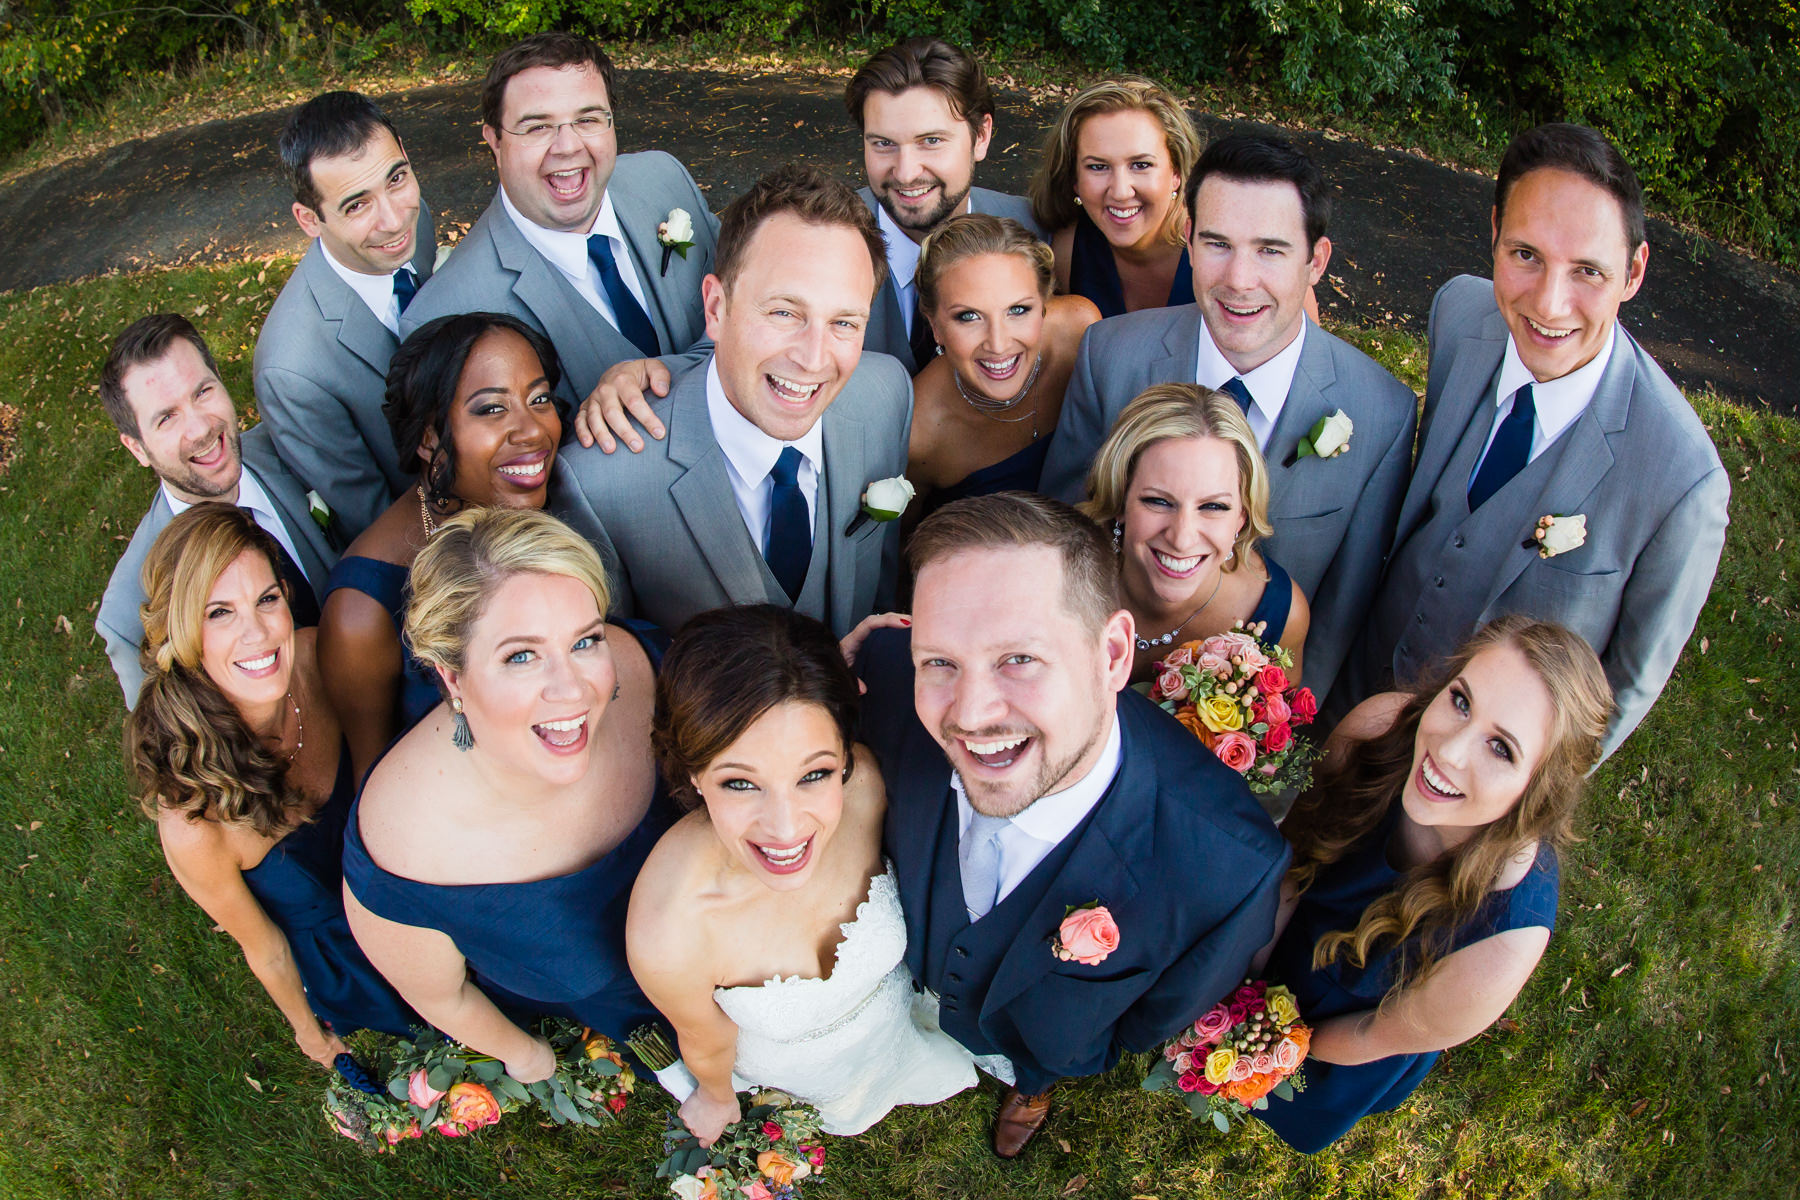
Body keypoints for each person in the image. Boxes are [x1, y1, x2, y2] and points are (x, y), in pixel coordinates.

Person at [856, 492, 1289, 1157]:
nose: (969, 715)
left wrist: (1056, 1058)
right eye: (940, 661)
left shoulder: (1228, 873)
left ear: (1112, 654)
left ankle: (1032, 1085)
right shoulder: (883, 683)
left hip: (1045, 1041)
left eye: (1018, 659)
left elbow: (1145, 1022)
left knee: (1048, 1054)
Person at [1341, 123, 1729, 758]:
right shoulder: (1460, 315)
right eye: (1526, 255)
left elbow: (1626, 688)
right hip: (1354, 692)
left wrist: (1508, 809)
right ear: (1494, 232)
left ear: (1633, 272)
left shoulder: (1682, 481)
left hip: (1472, 780)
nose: (1549, 304)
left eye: (1588, 272)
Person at [1041, 134, 1416, 710]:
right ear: (1187, 239)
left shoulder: (1381, 411)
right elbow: (1063, 537)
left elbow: (1343, 607)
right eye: (1217, 243)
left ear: (1315, 261)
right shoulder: (1110, 356)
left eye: (1271, 250)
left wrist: (1277, 744)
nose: (1239, 280)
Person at [1254, 616, 1613, 1152]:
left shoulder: (1503, 941)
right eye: (1462, 701)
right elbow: (1300, 860)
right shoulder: (1377, 728)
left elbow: (1373, 1034)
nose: (1448, 752)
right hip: (1288, 934)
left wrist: (1259, 1052)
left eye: (1501, 749)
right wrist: (1245, 976)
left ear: (1538, 790)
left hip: (1347, 1034)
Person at [343, 507, 671, 1076]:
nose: (572, 690)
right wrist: (525, 1055)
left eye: (585, 641)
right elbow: (442, 997)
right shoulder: (402, 856)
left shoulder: (648, 666)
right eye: (521, 655)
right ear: (450, 677)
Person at [628, 605, 975, 1141]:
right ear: (694, 773)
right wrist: (717, 1097)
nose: (785, 829)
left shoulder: (865, 789)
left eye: (814, 774)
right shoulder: (668, 930)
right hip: (798, 1069)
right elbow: (706, 1039)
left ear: (844, 754)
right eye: (740, 783)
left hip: (890, 1023)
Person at [555, 163, 911, 639]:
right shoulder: (601, 486)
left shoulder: (885, 397)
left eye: (844, 322)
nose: (813, 358)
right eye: (784, 312)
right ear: (716, 309)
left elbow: (880, 589)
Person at [123, 505, 417, 1070]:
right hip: (355, 963)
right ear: (182, 633)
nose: (257, 633)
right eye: (219, 613)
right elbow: (264, 947)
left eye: (266, 599)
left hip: (410, 881)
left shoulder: (317, 655)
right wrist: (311, 1035)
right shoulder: (193, 821)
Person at [400, 32, 719, 411]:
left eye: (587, 119)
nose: (567, 147)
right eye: (537, 127)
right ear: (495, 141)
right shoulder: (447, 314)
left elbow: (745, 303)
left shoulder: (664, 178)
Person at [317, 313, 569, 781]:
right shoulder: (361, 613)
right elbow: (372, 781)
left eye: (539, 399)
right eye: (492, 409)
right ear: (430, 438)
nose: (533, 430)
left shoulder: (533, 497)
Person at [97, 314, 337, 707]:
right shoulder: (129, 612)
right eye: (167, 417)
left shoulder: (294, 445)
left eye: (202, 392)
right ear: (137, 447)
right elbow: (179, 748)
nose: (201, 429)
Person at [254, 90, 438, 539]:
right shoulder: (293, 372)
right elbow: (374, 521)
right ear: (309, 219)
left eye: (397, 178)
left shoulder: (416, 222)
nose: (393, 221)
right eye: (357, 206)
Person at [1077, 384, 1309, 683]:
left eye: (1213, 506)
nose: (1182, 538)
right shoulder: (1055, 569)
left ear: (1242, 515)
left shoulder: (1279, 614)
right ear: (1120, 498)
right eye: (1158, 501)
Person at [846, 37, 1046, 374]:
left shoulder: (1040, 230)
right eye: (883, 144)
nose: (906, 173)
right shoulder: (820, 244)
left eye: (931, 141)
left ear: (981, 136)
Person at [905, 213, 1099, 522]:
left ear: (1045, 304)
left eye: (1018, 310)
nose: (998, 344)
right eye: (968, 316)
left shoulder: (1079, 332)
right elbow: (902, 550)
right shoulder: (921, 431)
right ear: (934, 325)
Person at [1028, 77, 1202, 319]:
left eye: (1141, 165)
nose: (1121, 192)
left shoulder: (1215, 249)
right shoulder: (1067, 252)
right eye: (1098, 167)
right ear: (1074, 179)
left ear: (1176, 173)